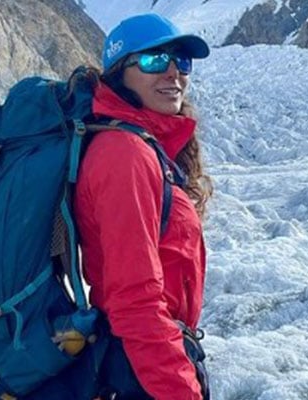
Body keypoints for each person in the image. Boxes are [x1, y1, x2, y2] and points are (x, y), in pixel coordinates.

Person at [74, 13, 213, 400]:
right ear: (120, 73)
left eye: (181, 61)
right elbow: (135, 300)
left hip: (146, 360)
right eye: (154, 60)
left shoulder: (144, 148)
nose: (174, 74)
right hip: (139, 368)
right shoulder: (124, 155)